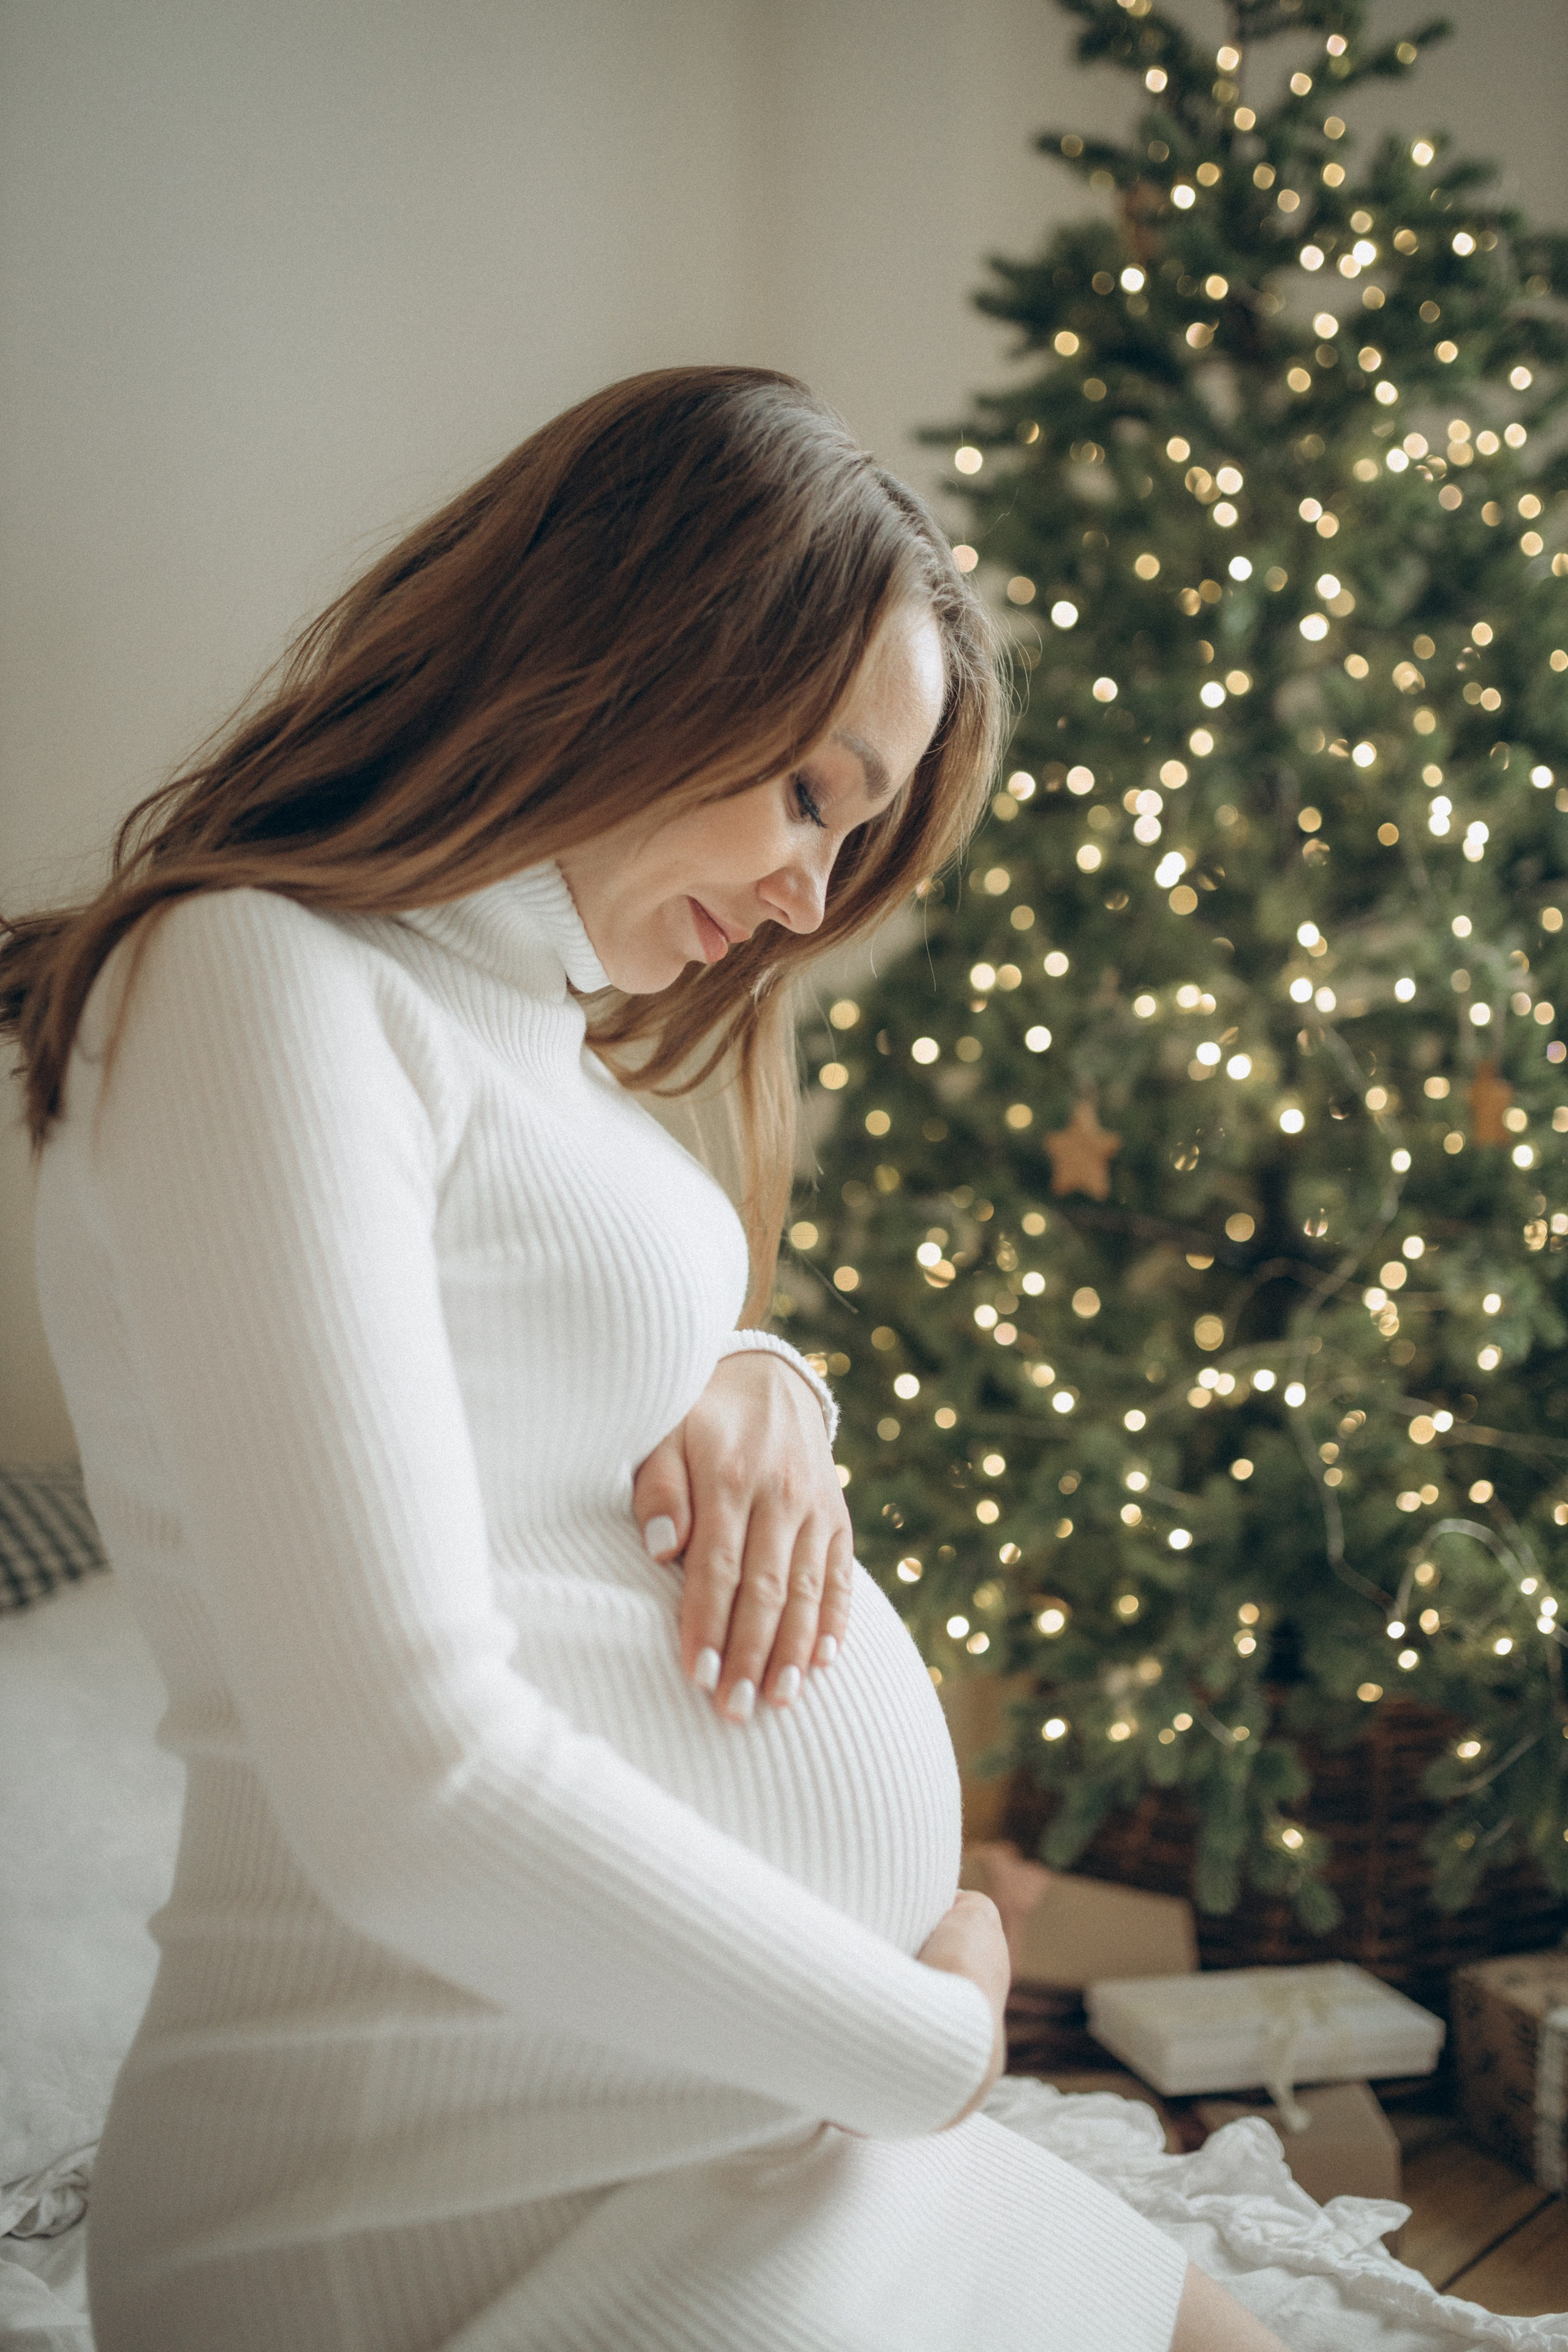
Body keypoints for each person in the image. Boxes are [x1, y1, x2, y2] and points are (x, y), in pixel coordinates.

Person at [1, 366, 1286, 2351]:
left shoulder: (520, 1026)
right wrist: (936, 2039)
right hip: (430, 2194)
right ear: (636, 652)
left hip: (720, 2123)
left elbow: (532, 1347)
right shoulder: (254, 972)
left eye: (848, 845)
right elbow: (406, 1778)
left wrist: (761, 1368)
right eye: (807, 797)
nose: (805, 900)